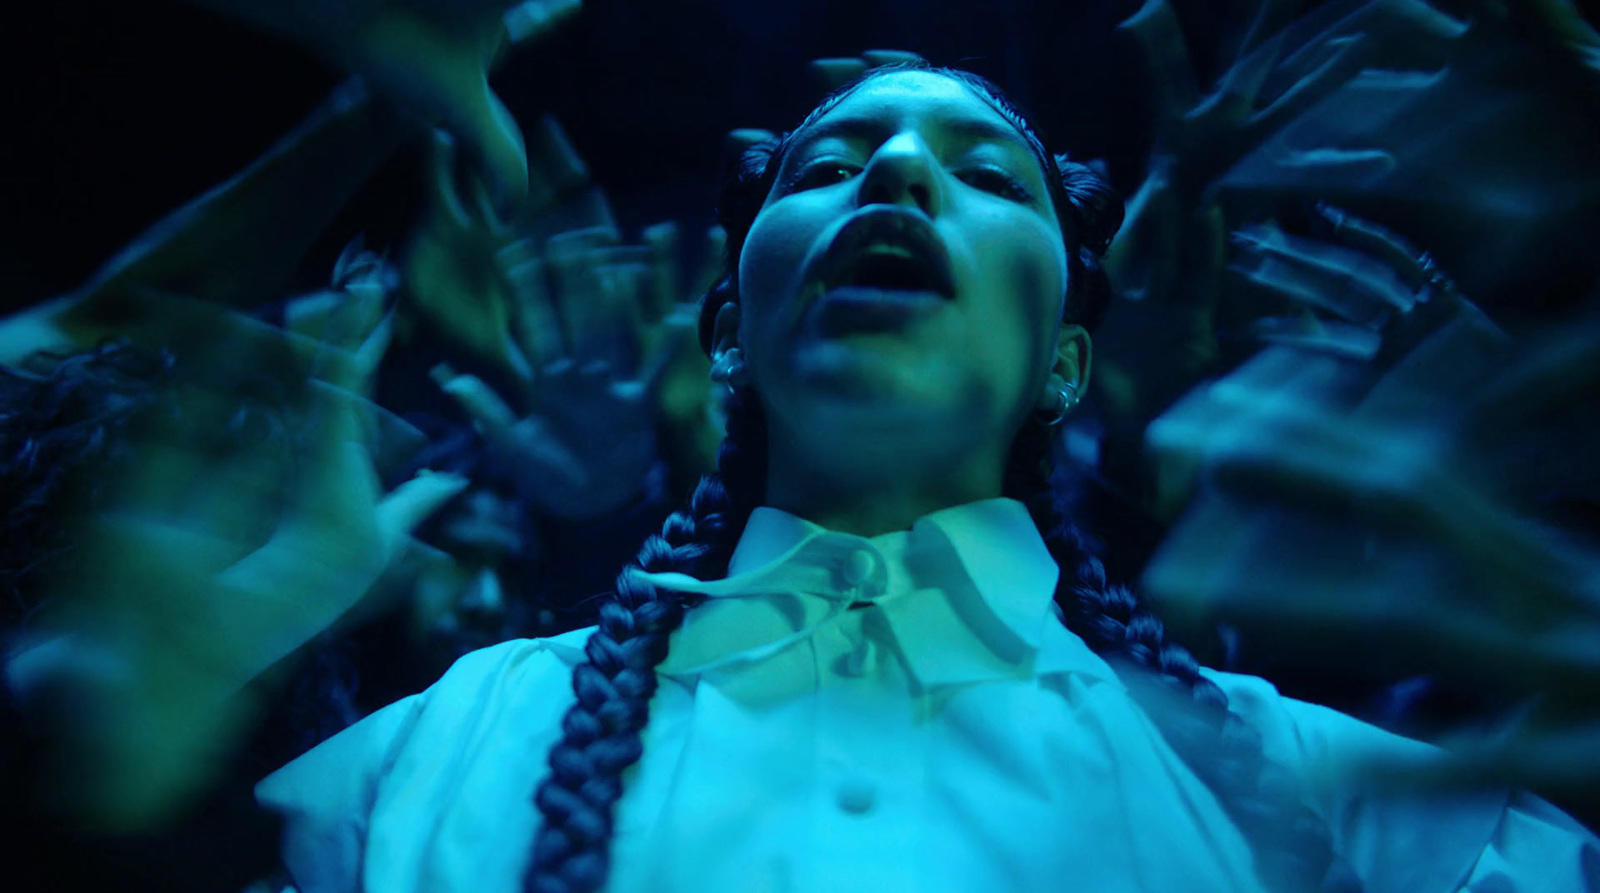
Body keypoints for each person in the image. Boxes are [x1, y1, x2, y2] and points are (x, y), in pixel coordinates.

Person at [253, 60, 1600, 893]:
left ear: (1067, 362)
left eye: (989, 177)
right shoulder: (434, 747)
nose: (894, 168)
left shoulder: (1352, 800)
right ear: (730, 331)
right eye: (829, 165)